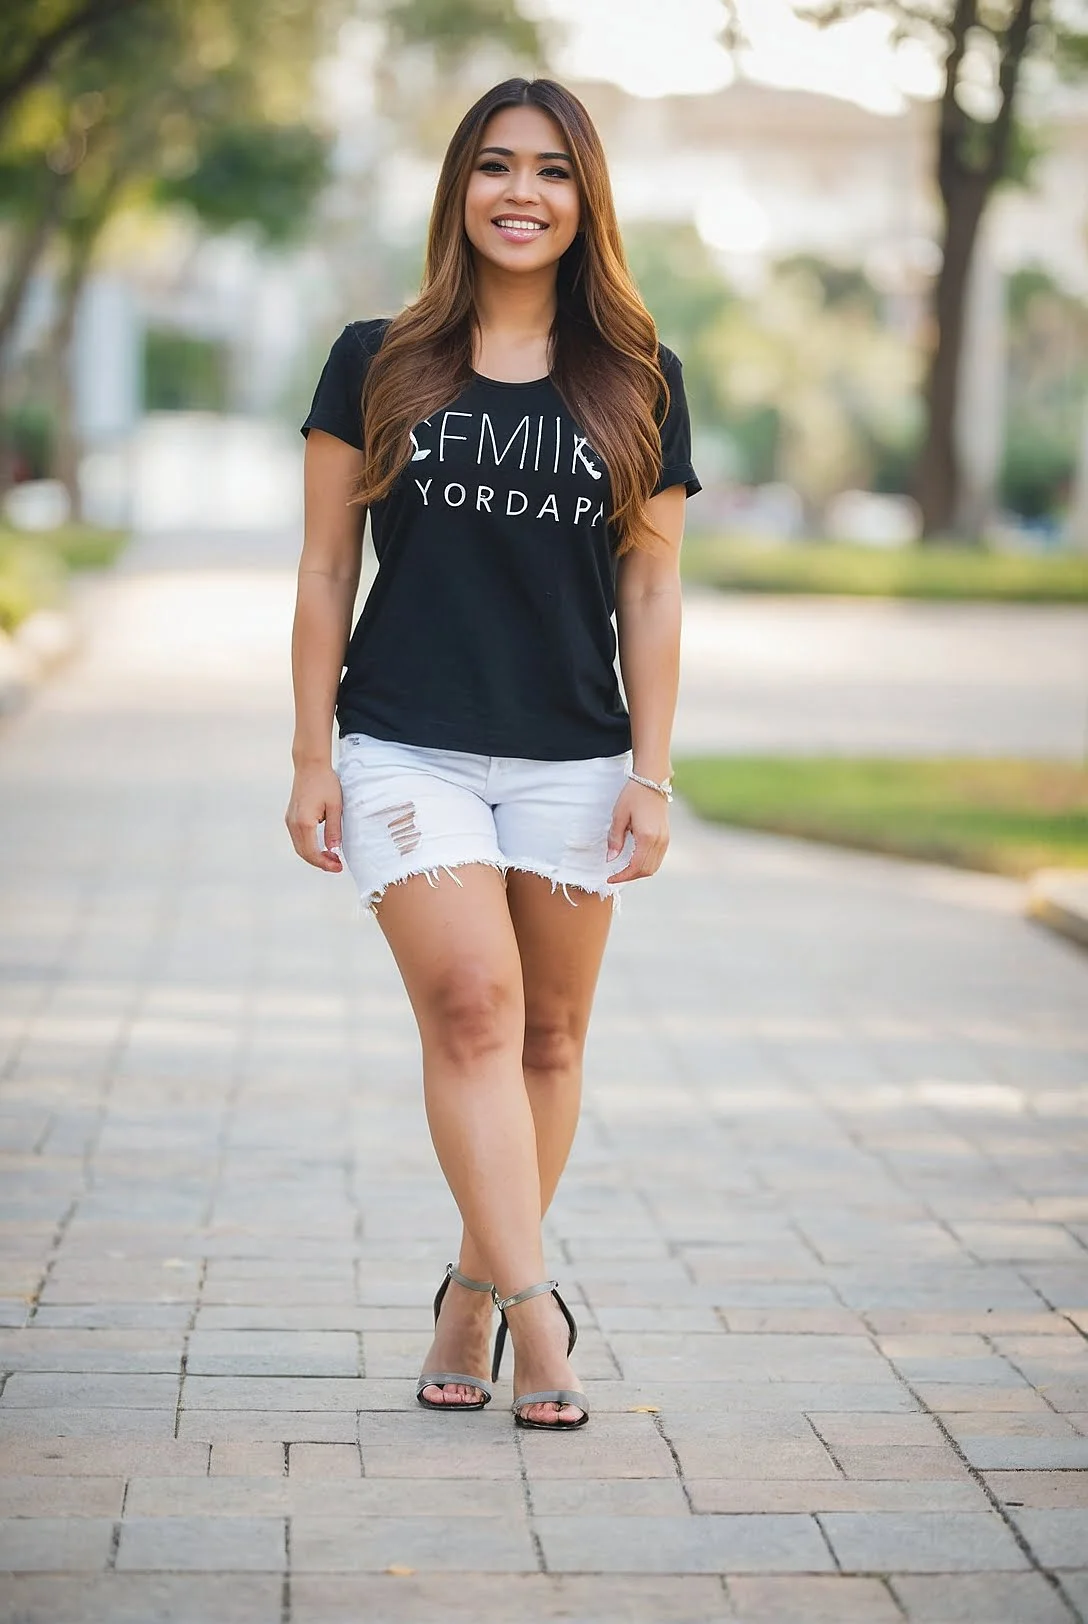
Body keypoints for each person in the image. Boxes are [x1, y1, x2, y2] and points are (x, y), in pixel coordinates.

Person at [287, 76, 699, 1432]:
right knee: (473, 1004)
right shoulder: (379, 356)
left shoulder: (639, 379)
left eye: (553, 171)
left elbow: (650, 589)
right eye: (497, 166)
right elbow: (324, 567)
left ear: (587, 203)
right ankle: (543, 1327)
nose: (523, 192)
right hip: (407, 743)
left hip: (576, 758)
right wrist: (309, 755)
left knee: (554, 1035)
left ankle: (470, 1288)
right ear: (459, 188)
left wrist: (651, 772)